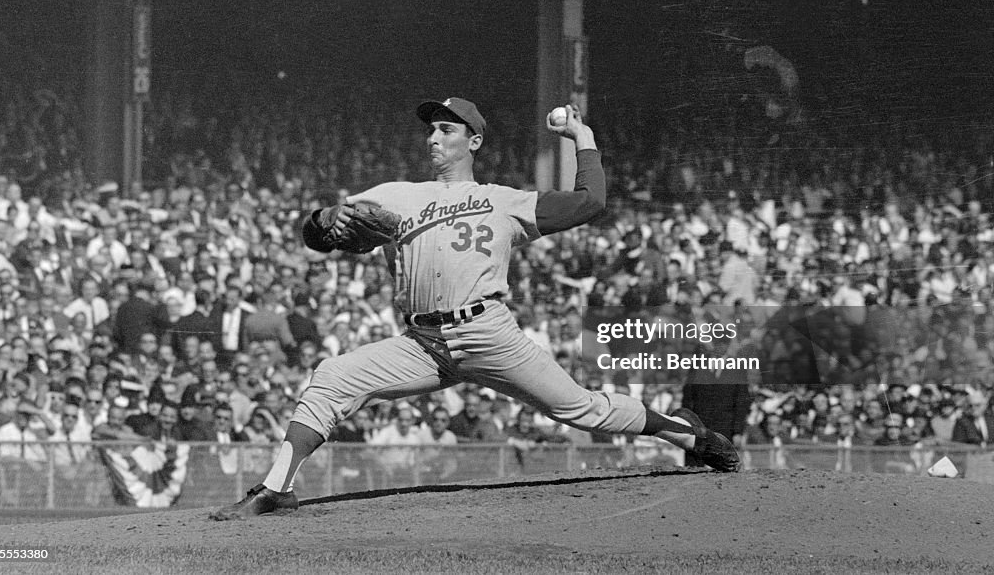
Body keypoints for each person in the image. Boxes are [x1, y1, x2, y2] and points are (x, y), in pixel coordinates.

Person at [211, 98, 739, 520]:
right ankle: (276, 487)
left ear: (474, 140)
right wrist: (322, 221)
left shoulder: (504, 199)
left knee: (581, 410)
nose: (433, 138)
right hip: (422, 344)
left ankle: (687, 434)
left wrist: (585, 139)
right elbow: (320, 235)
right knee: (332, 376)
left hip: (487, 334)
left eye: (447, 129)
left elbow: (590, 203)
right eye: (431, 130)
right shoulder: (396, 193)